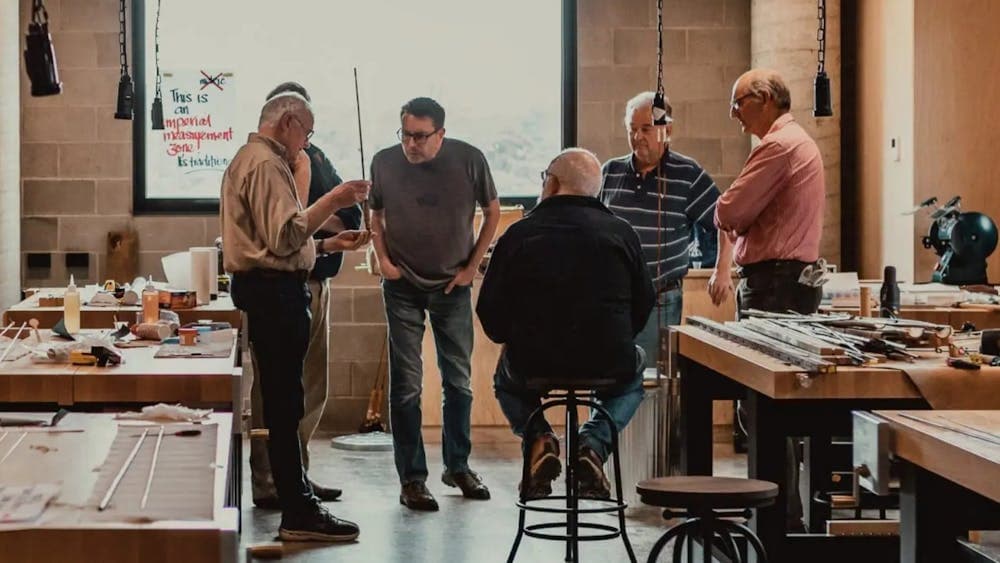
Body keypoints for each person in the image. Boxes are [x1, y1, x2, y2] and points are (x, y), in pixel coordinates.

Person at [221, 92, 369, 541]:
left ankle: (296, 495)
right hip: (273, 293)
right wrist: (337, 198)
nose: (305, 142)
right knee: (284, 406)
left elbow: (276, 240)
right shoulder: (266, 164)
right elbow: (285, 236)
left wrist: (325, 246)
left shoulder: (252, 159)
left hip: (271, 286)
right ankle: (297, 510)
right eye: (306, 130)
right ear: (287, 122)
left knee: (287, 401)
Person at [478, 148, 655, 499]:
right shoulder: (622, 233)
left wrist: (508, 337)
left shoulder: (518, 234)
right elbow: (645, 301)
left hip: (533, 363)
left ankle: (540, 438)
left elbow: (490, 310)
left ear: (553, 183)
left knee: (505, 381)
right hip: (608, 360)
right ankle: (592, 445)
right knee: (635, 374)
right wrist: (618, 338)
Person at [370, 97, 500, 511]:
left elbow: (492, 211)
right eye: (405, 134)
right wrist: (384, 261)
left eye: (421, 136)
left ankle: (457, 466)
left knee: (458, 380)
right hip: (402, 284)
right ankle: (412, 478)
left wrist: (472, 266)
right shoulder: (385, 162)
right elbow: (374, 214)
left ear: (440, 134)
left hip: (452, 286)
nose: (411, 143)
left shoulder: (469, 159)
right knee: (407, 384)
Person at [715, 68, 826, 533]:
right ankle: (782, 513)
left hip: (774, 285)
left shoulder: (778, 146)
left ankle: (777, 522)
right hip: (786, 282)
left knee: (765, 402)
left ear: (762, 99)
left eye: (738, 102)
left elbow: (728, 210)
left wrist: (738, 221)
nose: (734, 114)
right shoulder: (795, 142)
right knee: (773, 404)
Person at [600, 91, 733, 366]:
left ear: (667, 130)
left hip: (658, 300)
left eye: (645, 129)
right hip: (611, 300)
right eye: (632, 129)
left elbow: (727, 220)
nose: (637, 137)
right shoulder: (609, 172)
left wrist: (722, 271)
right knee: (607, 377)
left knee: (648, 381)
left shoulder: (687, 173)